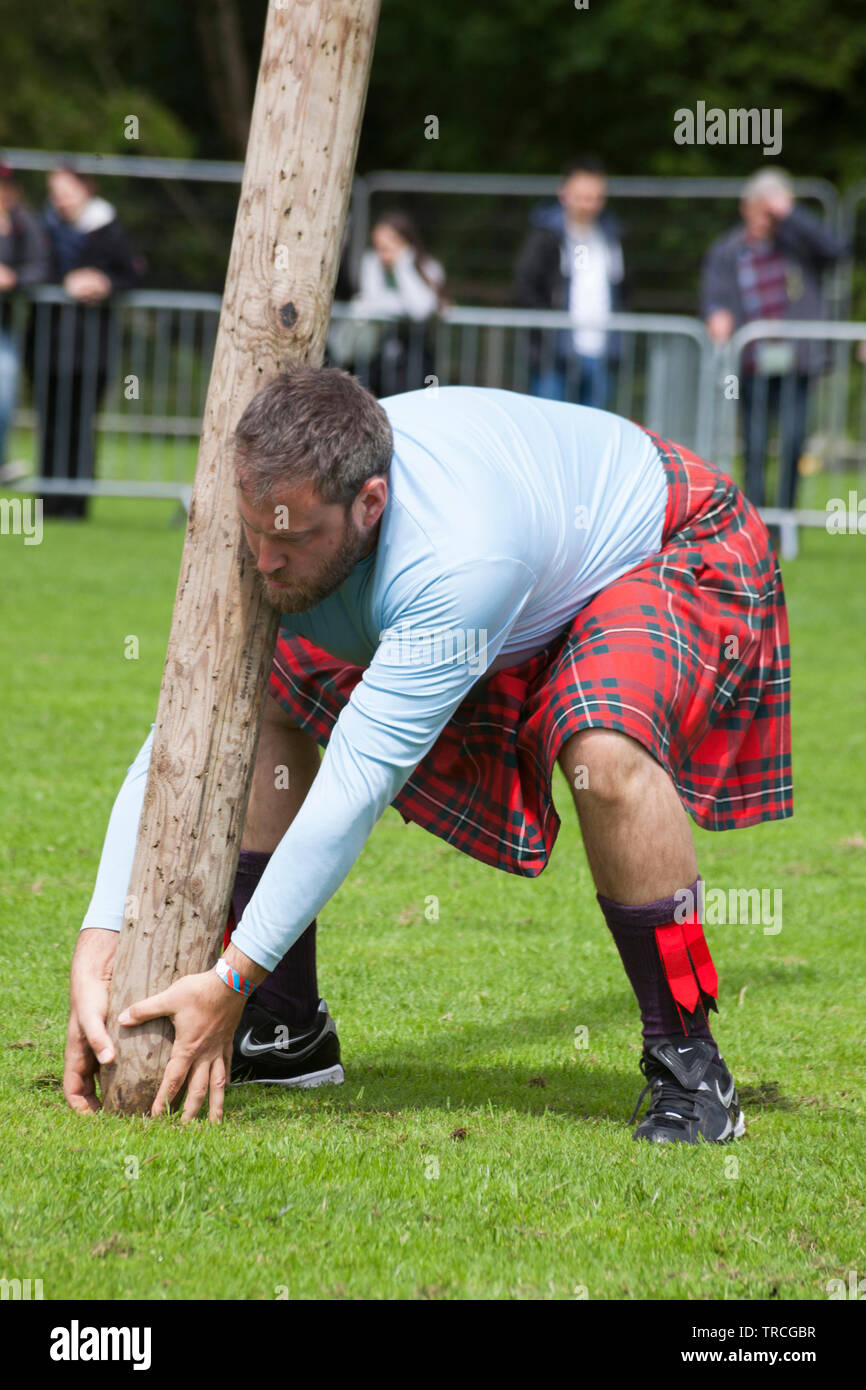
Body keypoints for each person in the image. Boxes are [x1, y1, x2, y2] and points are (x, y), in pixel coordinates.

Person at [65, 369, 792, 1142]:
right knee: (261, 700)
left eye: (292, 539)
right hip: (514, 571)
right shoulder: (268, 517)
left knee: (603, 753)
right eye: (255, 532)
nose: (264, 563)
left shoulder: (458, 558)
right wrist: (104, 931)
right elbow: (187, 730)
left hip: (657, 542)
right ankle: (282, 1031)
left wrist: (226, 976)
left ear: (370, 503)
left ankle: (690, 1066)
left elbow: (356, 784)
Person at [701, 168, 846, 511]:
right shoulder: (727, 250)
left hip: (798, 361)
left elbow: (836, 250)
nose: (767, 218)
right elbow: (713, 293)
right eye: (762, 208)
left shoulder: (797, 246)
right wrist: (716, 312)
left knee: (794, 441)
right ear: (746, 207)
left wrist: (790, 213)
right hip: (749, 364)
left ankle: (785, 518)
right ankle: (755, 519)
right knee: (753, 444)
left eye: (773, 211)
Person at [27, 164, 143, 518]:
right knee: (50, 422)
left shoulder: (108, 230)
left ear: (86, 188)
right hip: (46, 344)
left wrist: (103, 284)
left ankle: (75, 504)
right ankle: (48, 503)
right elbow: (35, 270)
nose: (61, 199)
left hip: (90, 349)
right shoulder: (43, 229)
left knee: (80, 424)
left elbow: (134, 274)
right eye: (56, 191)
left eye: (67, 190)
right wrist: (66, 281)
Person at [513, 156, 624, 409]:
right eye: (582, 196)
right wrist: (547, 330)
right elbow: (525, 288)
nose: (589, 205)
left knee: (595, 431)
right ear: (564, 194)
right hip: (553, 356)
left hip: (601, 351)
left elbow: (623, 290)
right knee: (548, 429)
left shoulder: (612, 237)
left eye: (596, 197)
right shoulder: (544, 237)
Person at [330, 211, 446, 397]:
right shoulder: (372, 263)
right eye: (379, 247)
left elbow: (420, 310)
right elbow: (371, 301)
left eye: (388, 246)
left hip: (416, 356)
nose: (383, 254)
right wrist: (400, 305)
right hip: (377, 355)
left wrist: (403, 265)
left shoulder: (428, 267)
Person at [0, 162, 48, 482]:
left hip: (3, 328)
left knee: (4, 391)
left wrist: (13, 278)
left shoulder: (22, 223)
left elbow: (41, 267)